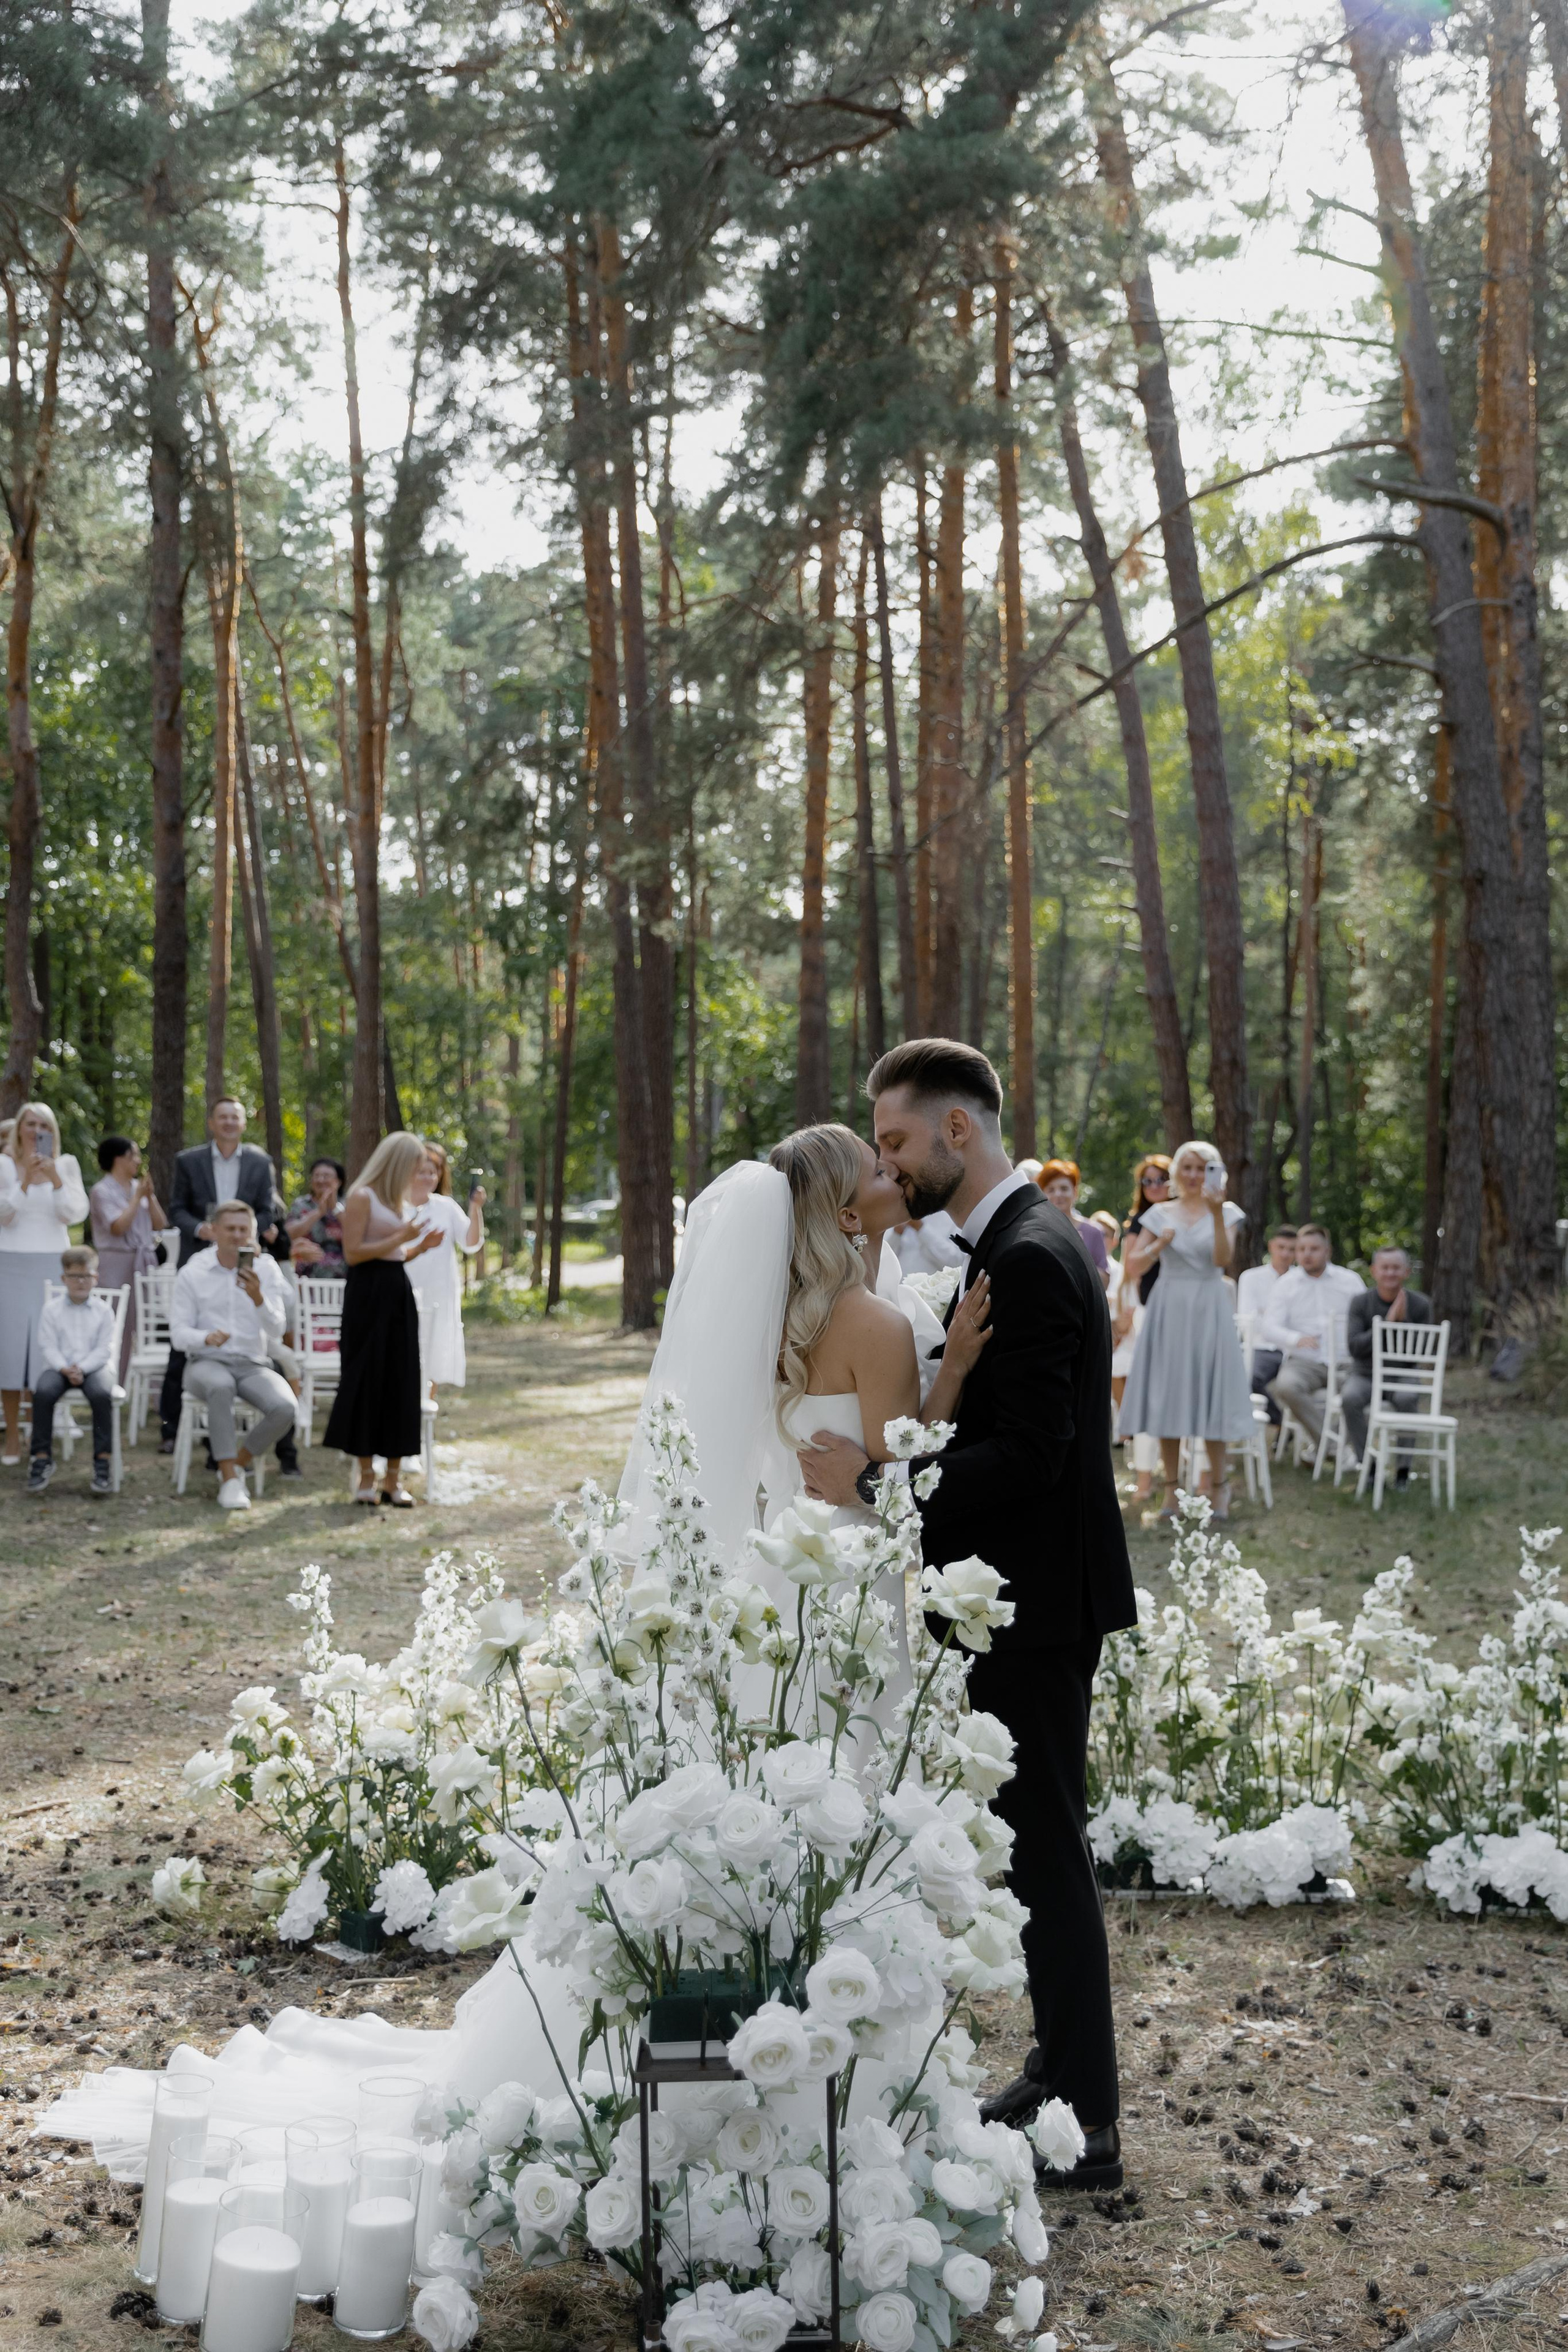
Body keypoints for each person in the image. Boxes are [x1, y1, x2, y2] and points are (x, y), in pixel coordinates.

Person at [797, 1038, 1136, 2192]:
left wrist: (875, 1485)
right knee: (1036, 1850)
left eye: (894, 1141)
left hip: (1034, 1605)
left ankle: (1088, 2121)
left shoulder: (1035, 1252)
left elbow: (1033, 1457)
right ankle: (1055, 2072)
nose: (885, 1163)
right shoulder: (1021, 1240)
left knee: (1048, 1850)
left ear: (956, 1130)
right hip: (1019, 1599)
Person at [1119, 1139, 1254, 1522]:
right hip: (1170, 1306)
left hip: (1209, 1304)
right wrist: (1160, 1244)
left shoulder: (1227, 1212)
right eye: (1188, 1168)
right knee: (1170, 1397)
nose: (1194, 1175)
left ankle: (1219, 1488)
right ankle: (1171, 1494)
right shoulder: (1159, 1214)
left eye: (1203, 1168)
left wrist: (1214, 1214)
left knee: (1211, 1394)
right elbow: (1134, 1268)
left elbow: (1223, 1260)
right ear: (1178, 1172)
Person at [160, 1099, 290, 1457]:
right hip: (204, 1256)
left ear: (243, 1123)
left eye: (236, 1117)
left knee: (260, 1346)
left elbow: (268, 1210)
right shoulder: (189, 1160)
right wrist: (204, 1230)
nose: (230, 1122)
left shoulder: (260, 1161)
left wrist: (246, 1237)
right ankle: (170, 1429)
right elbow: (177, 1209)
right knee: (184, 1350)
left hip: (247, 1256)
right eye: (223, 1117)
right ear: (212, 1123)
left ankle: (253, 1449)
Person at [323, 1132, 444, 1507]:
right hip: (366, 1296)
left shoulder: (396, 1202)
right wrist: (403, 1236)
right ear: (396, 1162)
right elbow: (355, 1255)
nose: (416, 1172)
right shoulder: (362, 1197)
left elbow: (394, 1256)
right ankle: (365, 1477)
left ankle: (394, 1481)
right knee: (366, 1381)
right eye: (413, 1164)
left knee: (401, 1381)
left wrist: (419, 1247)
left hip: (396, 1293)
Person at [170, 1202, 297, 1512]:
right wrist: (205, 1338)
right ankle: (229, 1480)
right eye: (231, 1229)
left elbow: (278, 1327)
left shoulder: (266, 1269)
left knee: (286, 1407)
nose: (238, 1235)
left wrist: (258, 1299)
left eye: (245, 1230)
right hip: (206, 1362)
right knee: (221, 1386)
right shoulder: (193, 1271)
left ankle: (238, 1463)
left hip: (253, 1363)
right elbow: (177, 1333)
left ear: (254, 1234)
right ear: (214, 1231)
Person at [0, 1103, 88, 1466]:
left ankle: (40, 1436)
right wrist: (23, 1182)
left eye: (43, 1125)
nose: (36, 1130)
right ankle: (11, 1436)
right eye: (30, 1124)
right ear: (19, 1129)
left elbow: (74, 1214)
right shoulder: (4, 1166)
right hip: (11, 1264)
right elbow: (4, 1217)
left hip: (52, 1264)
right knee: (9, 1351)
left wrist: (54, 1181)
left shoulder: (66, 1165)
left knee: (44, 1351)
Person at [1261, 1223, 1365, 1455]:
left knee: (1363, 1392)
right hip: (1304, 1362)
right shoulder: (1286, 1284)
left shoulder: (1350, 1281)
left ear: (1327, 1251)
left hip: (1345, 1361)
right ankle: (1333, 1447)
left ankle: (1333, 1445)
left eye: (1314, 1249)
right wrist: (1296, 1338)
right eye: (1302, 1249)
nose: (1307, 1254)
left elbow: (1366, 1320)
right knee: (1286, 1386)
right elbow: (1268, 1327)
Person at [27, 1245, 117, 1496]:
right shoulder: (51, 1310)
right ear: (63, 1278)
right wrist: (66, 1369)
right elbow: (47, 1345)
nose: (81, 1282)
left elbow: (105, 1348)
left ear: (95, 1278)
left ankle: (102, 1461)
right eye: (74, 1276)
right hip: (59, 1368)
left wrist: (83, 1368)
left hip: (94, 1367)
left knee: (101, 1394)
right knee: (43, 1391)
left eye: (86, 1276)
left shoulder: (103, 1311)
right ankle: (42, 1457)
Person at [1341, 1246, 1433, 1480]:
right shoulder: (1360, 1303)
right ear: (1374, 1271)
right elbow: (1355, 1347)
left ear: (1406, 1272)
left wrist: (1401, 1323)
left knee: (1407, 1398)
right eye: (1385, 1268)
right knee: (1350, 1398)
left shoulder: (1421, 1305)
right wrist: (1386, 1323)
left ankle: (1403, 1469)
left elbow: (1422, 1352)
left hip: (1403, 1374)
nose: (1390, 1273)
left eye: (1396, 1268)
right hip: (1365, 1373)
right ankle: (1368, 1465)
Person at [404, 1144, 485, 1393]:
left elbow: (471, 1243)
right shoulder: (395, 1206)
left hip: (439, 1289)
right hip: (406, 1288)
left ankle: (427, 1409)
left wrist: (476, 1208)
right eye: (422, 1172)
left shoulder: (446, 1206)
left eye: (434, 1172)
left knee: (434, 1349)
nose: (429, 1177)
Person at [89, 1137, 169, 1379]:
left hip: (143, 1264)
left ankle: (154, 1394)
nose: (137, 1161)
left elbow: (160, 1224)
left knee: (148, 1324)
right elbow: (118, 1227)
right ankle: (112, 1380)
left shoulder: (140, 1188)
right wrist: (136, 1200)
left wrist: (150, 1196)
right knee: (116, 1325)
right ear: (119, 1158)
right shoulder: (101, 1191)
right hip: (115, 1264)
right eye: (133, 1155)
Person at [1237, 1225, 1298, 1425]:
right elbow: (1249, 1321)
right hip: (1262, 1348)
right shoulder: (1251, 1277)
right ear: (1271, 1246)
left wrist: (1268, 1318)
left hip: (1295, 1350)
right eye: (1282, 1247)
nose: (1286, 1254)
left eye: (1291, 1249)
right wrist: (1279, 1327)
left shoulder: (1300, 1280)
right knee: (1251, 1378)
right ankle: (1280, 1421)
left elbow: (1302, 1322)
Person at [1035, 1157, 1109, 1283]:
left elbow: (1105, 1281)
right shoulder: (1036, 1231)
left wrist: (1079, 1257)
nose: (1058, 1194)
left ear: (1075, 1192)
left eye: (1064, 1188)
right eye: (1051, 1190)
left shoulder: (1094, 1231)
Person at [1123, 1153, 1172, 1305]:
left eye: (1161, 1179)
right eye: (1147, 1181)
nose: (1154, 1186)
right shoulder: (1139, 1220)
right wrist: (1160, 1243)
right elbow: (1130, 1267)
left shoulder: (1187, 1214)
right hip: (1153, 1297)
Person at [285, 1159, 348, 1275]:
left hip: (343, 1278)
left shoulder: (349, 1204)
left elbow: (358, 1233)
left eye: (326, 1176)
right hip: (306, 1278)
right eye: (316, 1176)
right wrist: (318, 1212)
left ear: (338, 1182)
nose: (320, 1180)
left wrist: (335, 1209)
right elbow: (288, 1235)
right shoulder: (301, 1205)